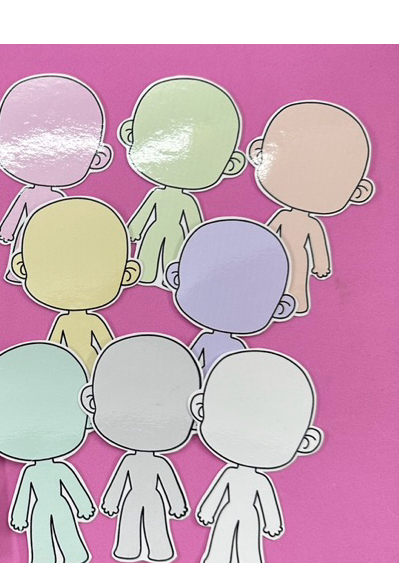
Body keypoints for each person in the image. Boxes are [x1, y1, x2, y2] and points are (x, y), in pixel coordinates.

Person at [192, 350, 323, 563]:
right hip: (230, 511)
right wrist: (207, 511)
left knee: (248, 540)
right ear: (200, 409)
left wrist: (272, 523)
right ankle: (217, 560)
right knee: (222, 534)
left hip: (250, 514)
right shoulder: (231, 474)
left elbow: (267, 502)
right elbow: (217, 493)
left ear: (305, 442)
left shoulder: (258, 480)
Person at [0, 341, 95, 563]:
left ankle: (75, 555)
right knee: (40, 534)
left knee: (67, 530)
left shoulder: (58, 469)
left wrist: (84, 506)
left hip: (59, 506)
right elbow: (23, 495)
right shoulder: (31, 472)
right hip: (39, 509)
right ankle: (43, 560)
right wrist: (19, 516)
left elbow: (73, 487)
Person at [81, 335, 200, 563]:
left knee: (156, 523)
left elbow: (169, 484)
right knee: (129, 522)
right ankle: (128, 549)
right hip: (133, 498)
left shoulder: (159, 463)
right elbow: (119, 482)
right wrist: (111, 502)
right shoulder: (133, 461)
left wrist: (177, 504)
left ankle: (159, 551)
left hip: (152, 498)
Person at [248, 101, 374, 314]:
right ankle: (268, 303)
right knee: (271, 280)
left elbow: (317, 244)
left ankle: (298, 305)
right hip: (277, 253)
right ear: (260, 153)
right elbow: (269, 234)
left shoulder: (310, 224)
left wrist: (321, 265)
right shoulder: (283, 216)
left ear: (358, 191)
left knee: (296, 280)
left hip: (297, 256)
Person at [0, 74, 113, 281]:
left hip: (49, 235)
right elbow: (17, 212)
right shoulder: (29, 194)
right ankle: (17, 273)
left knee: (45, 257)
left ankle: (41, 277)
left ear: (96, 159)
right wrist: (7, 230)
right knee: (23, 252)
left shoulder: (58, 197)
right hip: (28, 233)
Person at [119, 77, 246, 286]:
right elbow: (144, 214)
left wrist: (196, 241)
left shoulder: (187, 201)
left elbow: (194, 224)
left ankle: (166, 279)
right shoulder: (157, 195)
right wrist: (133, 231)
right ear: (130, 135)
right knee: (147, 256)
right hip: (155, 230)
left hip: (176, 234)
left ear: (230, 164)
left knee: (172, 256)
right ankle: (145, 275)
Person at [11, 197, 140, 373]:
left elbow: (108, 348)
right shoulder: (63, 321)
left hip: (95, 369)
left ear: (127, 275)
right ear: (21, 267)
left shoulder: (93, 321)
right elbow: (54, 350)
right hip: (69, 371)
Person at [164, 218, 296, 374]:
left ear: (281, 308)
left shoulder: (236, 348)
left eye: (248, 299)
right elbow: (190, 367)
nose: (225, 306)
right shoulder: (206, 340)